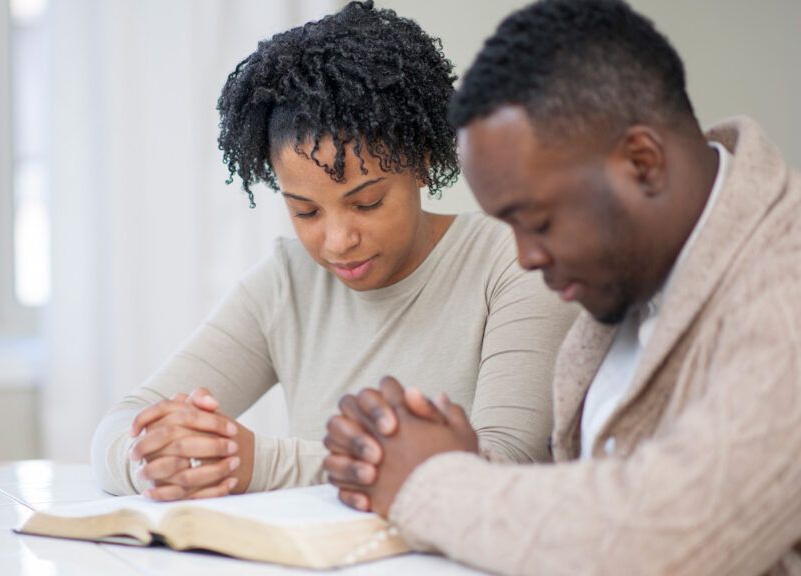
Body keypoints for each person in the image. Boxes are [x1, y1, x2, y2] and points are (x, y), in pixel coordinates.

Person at [323, 0, 801, 574]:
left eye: (541, 222)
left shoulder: (785, 289)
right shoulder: (632, 280)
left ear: (643, 162)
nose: (526, 257)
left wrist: (431, 481)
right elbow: (599, 494)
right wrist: (446, 458)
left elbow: (667, 539)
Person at [91, 1, 575, 502]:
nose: (338, 242)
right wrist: (157, 461)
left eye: (367, 202)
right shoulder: (287, 283)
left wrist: (262, 464)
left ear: (423, 163)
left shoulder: (515, 263)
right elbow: (121, 423)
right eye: (306, 212)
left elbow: (505, 463)